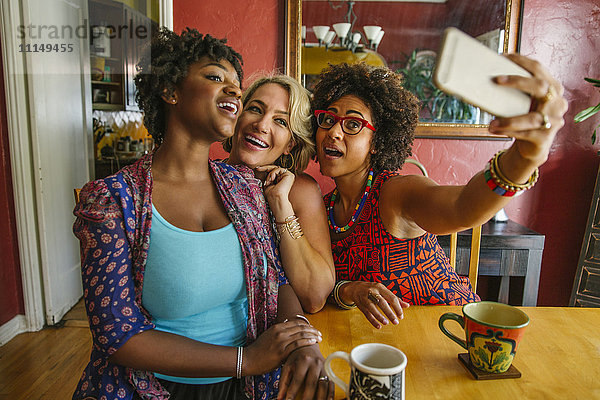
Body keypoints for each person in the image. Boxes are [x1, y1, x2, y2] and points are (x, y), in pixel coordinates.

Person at [72, 28, 333, 400]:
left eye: (236, 86)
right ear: (170, 91)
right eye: (215, 77)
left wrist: (301, 340)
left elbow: (275, 280)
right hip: (151, 388)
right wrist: (244, 359)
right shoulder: (113, 200)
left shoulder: (244, 187)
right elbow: (117, 336)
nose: (235, 92)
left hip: (251, 386)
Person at [312, 59, 567, 329]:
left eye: (353, 124)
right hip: (389, 344)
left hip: (454, 332)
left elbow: (463, 206)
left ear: (376, 142)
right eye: (328, 119)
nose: (333, 132)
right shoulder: (322, 208)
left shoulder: (396, 193)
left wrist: (525, 158)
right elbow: (315, 284)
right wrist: (349, 290)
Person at [224, 74, 335, 313]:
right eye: (255, 109)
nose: (262, 125)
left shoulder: (300, 191)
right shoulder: (205, 178)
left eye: (281, 122)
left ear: (290, 144)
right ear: (238, 116)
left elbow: (315, 297)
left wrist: (280, 203)